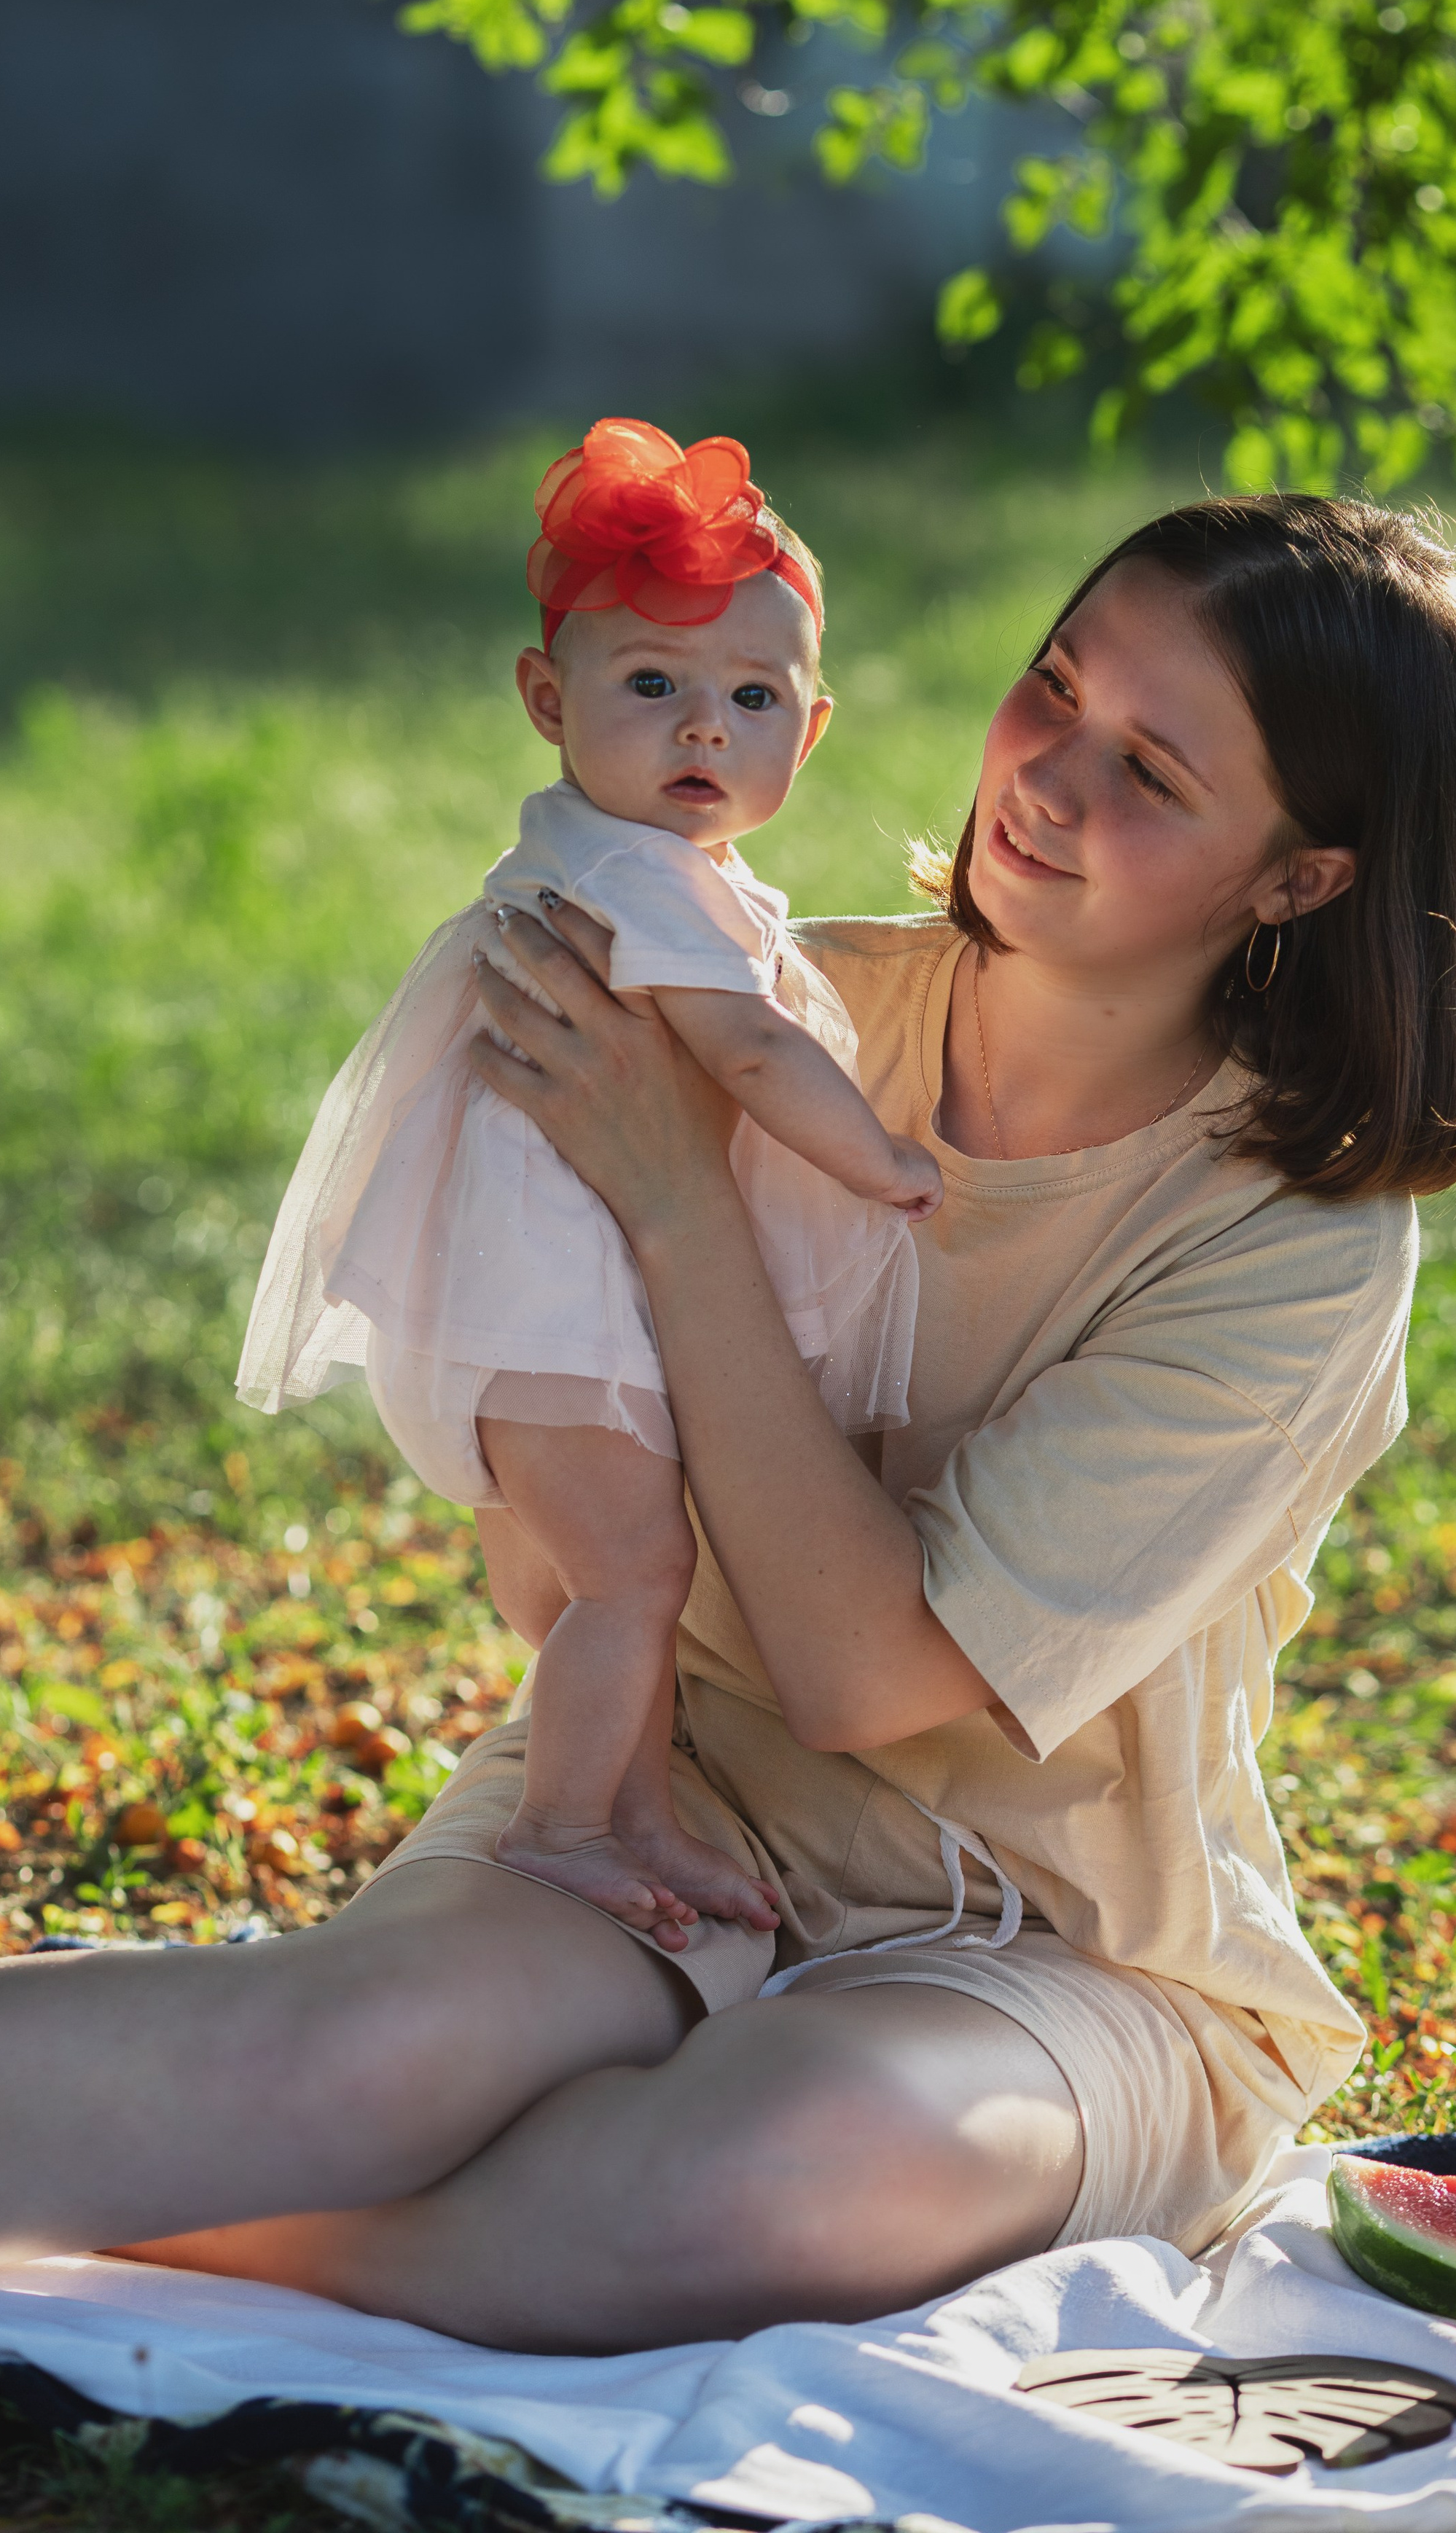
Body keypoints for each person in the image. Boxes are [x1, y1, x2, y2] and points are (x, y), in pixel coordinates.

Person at [0, 491, 1456, 2358]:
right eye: (1050, 689)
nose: (1044, 782)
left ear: (1298, 875)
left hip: (1064, 1949)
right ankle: (224, 2125)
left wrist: (680, 1203)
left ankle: (159, 2183)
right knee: (348, 2051)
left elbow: (863, 1675)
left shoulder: (1292, 1238)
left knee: (741, 2184)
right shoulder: (748, 987)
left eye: (1148, 770)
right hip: (651, 1798)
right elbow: (537, 1506)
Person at [237, 417, 939, 1946]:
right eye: (652, 689)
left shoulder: (605, 851)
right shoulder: (635, 876)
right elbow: (747, 1055)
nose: (704, 732)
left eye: (751, 698)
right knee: (636, 1572)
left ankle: (627, 1810)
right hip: (561, 1301)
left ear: (808, 732)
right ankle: (564, 1826)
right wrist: (879, 1157)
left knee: (582, 1583)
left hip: (523, 1297)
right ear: (548, 703)